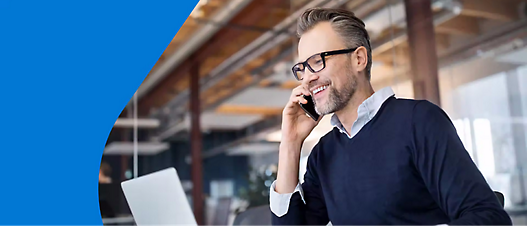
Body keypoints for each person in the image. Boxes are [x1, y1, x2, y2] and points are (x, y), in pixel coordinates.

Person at [269, 7, 512, 226]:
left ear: (359, 59)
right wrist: (290, 144)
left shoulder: (418, 121)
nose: (307, 78)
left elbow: (489, 217)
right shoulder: (324, 154)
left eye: (317, 61)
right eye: (302, 68)